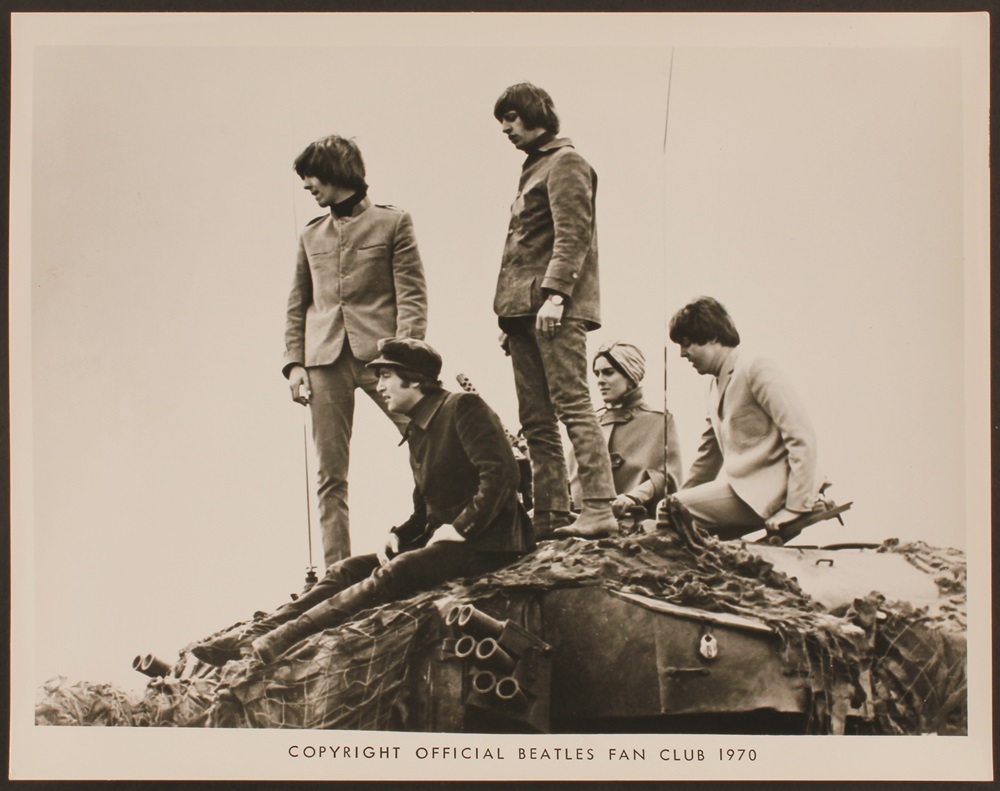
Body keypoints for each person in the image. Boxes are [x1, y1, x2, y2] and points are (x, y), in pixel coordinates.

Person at [193, 338, 534, 667]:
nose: (379, 385)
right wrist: (398, 533)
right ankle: (257, 633)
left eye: (385, 375)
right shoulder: (418, 429)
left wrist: (461, 529)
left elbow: (502, 476)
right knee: (348, 570)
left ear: (413, 380)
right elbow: (424, 508)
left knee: (396, 571)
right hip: (450, 544)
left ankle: (279, 641)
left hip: (491, 542)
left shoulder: (462, 407)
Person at [283, 135, 428, 567]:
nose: (307, 187)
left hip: (384, 362)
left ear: (335, 171)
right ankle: (337, 571)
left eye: (312, 177)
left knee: (427, 443)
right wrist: (294, 364)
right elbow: (297, 301)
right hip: (323, 362)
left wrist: (406, 360)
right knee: (330, 474)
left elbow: (412, 297)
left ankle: (432, 538)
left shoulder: (393, 222)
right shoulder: (311, 234)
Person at [492, 82, 618, 540]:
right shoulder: (533, 169)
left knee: (572, 403)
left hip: (552, 308)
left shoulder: (567, 164)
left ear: (534, 113)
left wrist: (557, 296)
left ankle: (600, 507)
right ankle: (551, 518)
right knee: (535, 420)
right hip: (523, 312)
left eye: (511, 118)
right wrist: (511, 316)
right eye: (502, 121)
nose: (506, 128)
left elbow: (573, 236)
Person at [666, 297, 821, 535]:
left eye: (687, 344)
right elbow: (708, 457)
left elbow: (801, 436)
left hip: (768, 492)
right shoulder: (711, 387)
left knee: (667, 512)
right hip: (742, 490)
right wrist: (680, 498)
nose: (682, 354)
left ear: (713, 337)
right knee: (674, 512)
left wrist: (796, 507)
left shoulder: (754, 368)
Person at [568, 342, 683, 525]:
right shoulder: (590, 425)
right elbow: (571, 478)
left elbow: (669, 477)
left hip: (636, 521)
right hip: (582, 522)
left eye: (608, 372)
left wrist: (633, 497)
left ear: (630, 377)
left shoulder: (659, 421)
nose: (599, 380)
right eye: (597, 373)